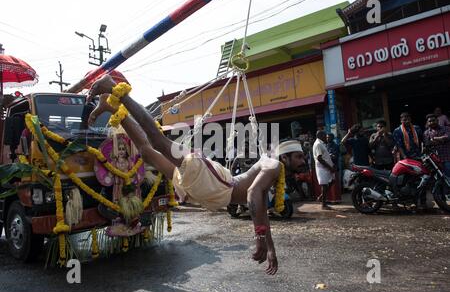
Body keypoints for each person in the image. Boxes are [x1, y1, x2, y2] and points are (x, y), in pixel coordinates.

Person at [87, 75, 307, 275]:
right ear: (285, 156)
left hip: (206, 191)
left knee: (147, 152)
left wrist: (270, 248)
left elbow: (261, 209)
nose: (303, 161)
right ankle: (115, 89)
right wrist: (260, 239)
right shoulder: (274, 165)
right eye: (298, 156)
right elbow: (252, 194)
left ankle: (113, 108)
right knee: (158, 142)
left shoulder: (275, 171)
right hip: (214, 182)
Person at [313, 130, 335, 210]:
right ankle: (323, 204)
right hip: (322, 167)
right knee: (324, 185)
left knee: (332, 181)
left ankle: (321, 197)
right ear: (321, 136)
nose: (326, 137)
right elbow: (319, 158)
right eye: (325, 135)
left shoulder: (321, 143)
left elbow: (323, 155)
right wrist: (329, 167)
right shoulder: (318, 144)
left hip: (327, 166)